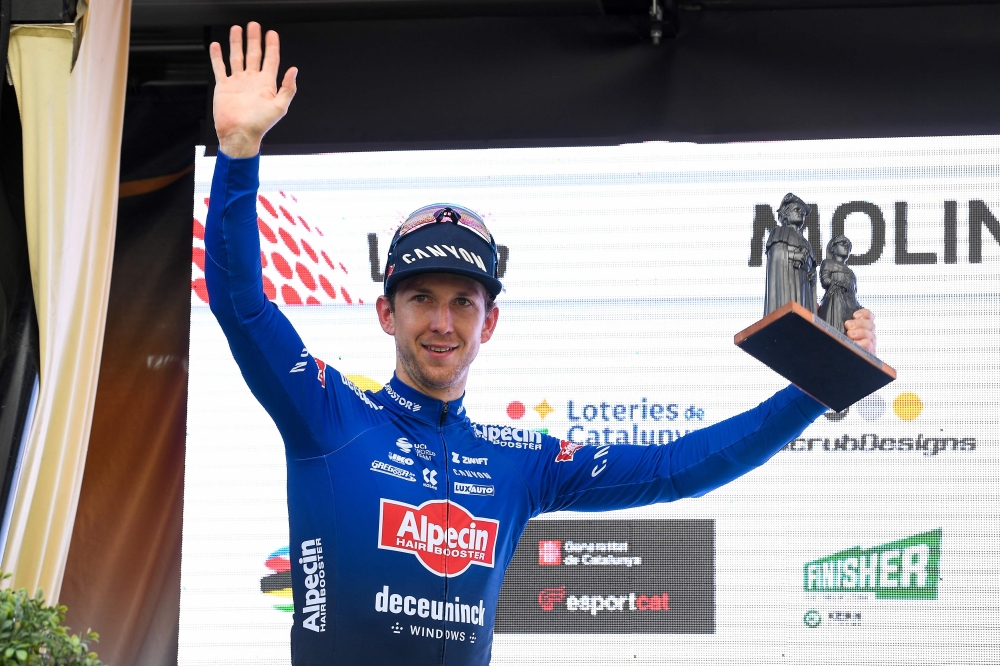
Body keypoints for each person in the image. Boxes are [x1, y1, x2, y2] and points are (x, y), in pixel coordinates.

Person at [205, 23, 877, 666]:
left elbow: (678, 467)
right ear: (386, 312)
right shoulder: (327, 414)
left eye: (463, 302)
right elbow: (243, 307)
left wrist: (815, 386)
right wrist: (238, 153)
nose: (443, 322)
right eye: (422, 299)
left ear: (489, 322)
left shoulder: (517, 461)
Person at [764, 193, 817, 316]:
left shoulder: (806, 242)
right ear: (785, 214)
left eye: (803, 212)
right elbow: (776, 254)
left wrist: (812, 273)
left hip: (803, 285)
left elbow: (812, 265)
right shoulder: (779, 232)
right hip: (786, 283)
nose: (801, 213)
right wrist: (794, 256)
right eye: (796, 209)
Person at [819, 234, 863, 334]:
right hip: (835, 303)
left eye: (848, 245)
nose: (845, 247)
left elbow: (853, 295)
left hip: (849, 307)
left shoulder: (851, 273)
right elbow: (825, 281)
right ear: (832, 248)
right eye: (842, 243)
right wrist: (840, 284)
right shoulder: (827, 263)